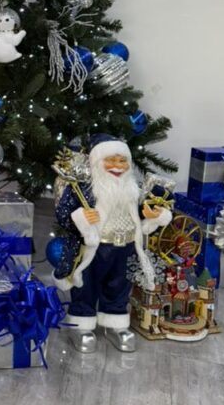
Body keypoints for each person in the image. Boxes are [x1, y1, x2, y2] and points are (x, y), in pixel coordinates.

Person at [55, 134, 172, 352]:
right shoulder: (83, 188)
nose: (117, 166)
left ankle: (115, 321)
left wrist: (153, 215)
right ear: (97, 162)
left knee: (119, 286)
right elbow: (63, 214)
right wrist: (80, 217)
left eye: (122, 160)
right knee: (86, 285)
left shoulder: (134, 189)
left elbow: (144, 212)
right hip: (94, 247)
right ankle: (81, 323)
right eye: (110, 160)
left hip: (126, 246)